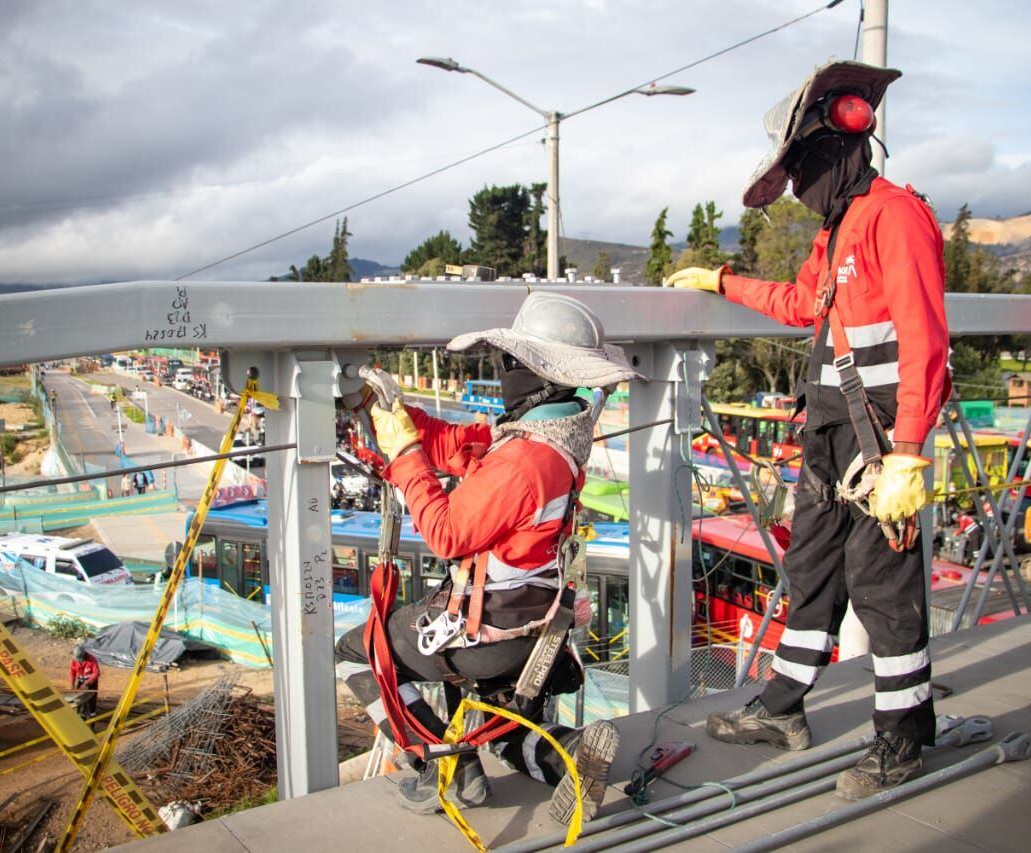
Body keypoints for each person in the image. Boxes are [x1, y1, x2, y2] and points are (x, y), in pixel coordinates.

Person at [668, 60, 949, 801]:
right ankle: (784, 706)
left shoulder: (894, 215)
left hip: (881, 439)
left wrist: (911, 453)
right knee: (812, 571)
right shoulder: (840, 228)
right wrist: (723, 281)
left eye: (802, 170)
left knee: (882, 587)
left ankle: (904, 735)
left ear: (838, 149)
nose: (798, 188)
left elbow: (924, 338)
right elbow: (803, 303)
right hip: (827, 435)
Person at [334, 292, 641, 822]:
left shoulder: (524, 460)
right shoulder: (555, 437)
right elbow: (460, 445)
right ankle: (570, 759)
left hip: (483, 633)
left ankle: (435, 765)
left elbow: (447, 533)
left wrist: (405, 455)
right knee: (502, 734)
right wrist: (389, 416)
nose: (503, 373)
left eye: (509, 363)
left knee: (356, 653)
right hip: (533, 629)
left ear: (536, 373)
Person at [69, 642, 101, 718]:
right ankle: (81, 716)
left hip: (91, 683)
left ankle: (92, 719)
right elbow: (72, 672)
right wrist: (72, 684)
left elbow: (96, 673)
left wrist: (87, 683)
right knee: (79, 699)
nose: (78, 661)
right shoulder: (74, 660)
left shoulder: (92, 659)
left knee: (91, 701)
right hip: (81, 681)